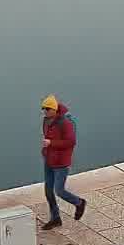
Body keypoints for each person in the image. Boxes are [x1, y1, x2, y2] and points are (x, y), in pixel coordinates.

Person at [40, 95, 85, 229]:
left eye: (47, 109)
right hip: (49, 159)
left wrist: (51, 143)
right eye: (44, 109)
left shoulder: (65, 123)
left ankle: (79, 203)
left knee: (59, 190)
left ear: (54, 109)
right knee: (48, 191)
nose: (45, 112)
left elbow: (71, 142)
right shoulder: (46, 121)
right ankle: (55, 218)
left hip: (61, 162)